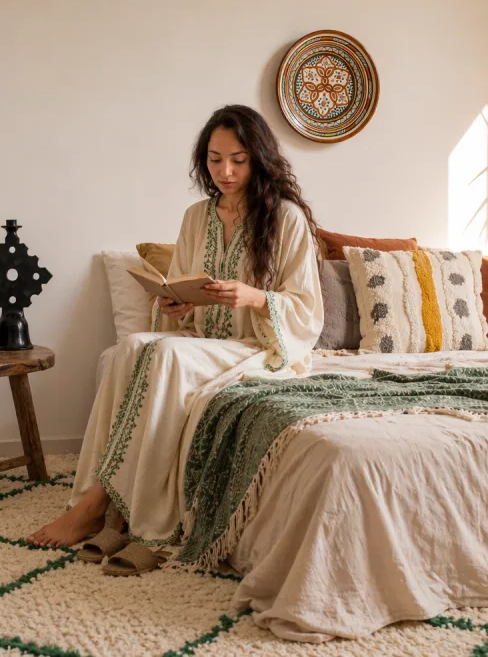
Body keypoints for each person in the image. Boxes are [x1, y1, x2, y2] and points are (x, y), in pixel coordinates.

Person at [26, 105, 325, 566]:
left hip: (259, 348)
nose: (225, 171)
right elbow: (187, 304)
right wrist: (177, 304)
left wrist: (254, 297)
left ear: (259, 158)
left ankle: (102, 508)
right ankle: (97, 500)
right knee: (129, 347)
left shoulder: (285, 218)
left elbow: (306, 310)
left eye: (239, 159)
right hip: (204, 343)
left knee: (165, 358)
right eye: (214, 159)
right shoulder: (195, 217)